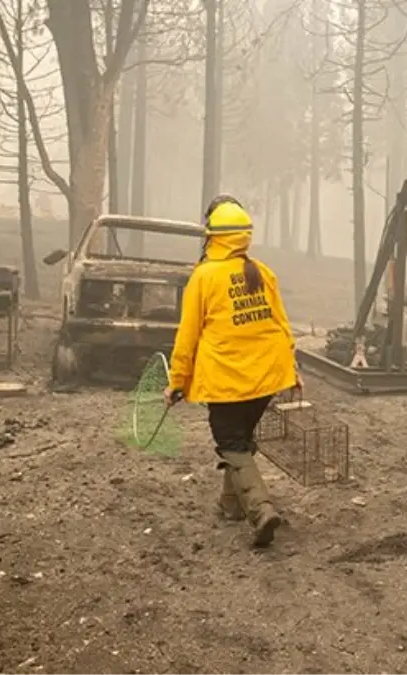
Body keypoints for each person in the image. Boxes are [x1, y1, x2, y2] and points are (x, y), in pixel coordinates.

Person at [164, 194, 301, 547]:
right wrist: (293, 370)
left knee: (230, 441)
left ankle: (260, 509)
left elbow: (187, 336)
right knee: (240, 438)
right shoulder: (263, 272)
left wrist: (176, 382)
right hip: (267, 376)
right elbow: (283, 326)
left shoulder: (204, 276)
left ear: (212, 236)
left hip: (227, 380)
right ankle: (231, 505)